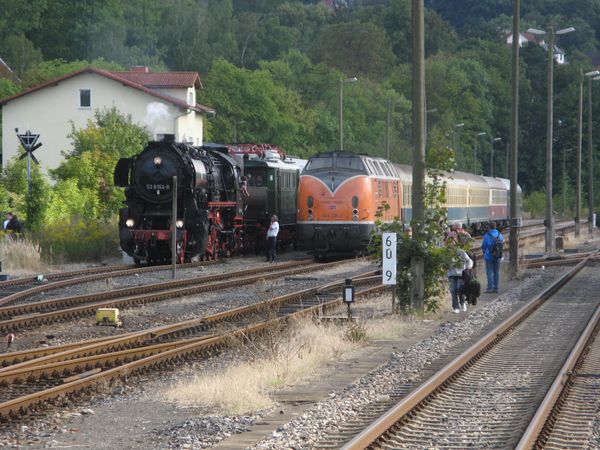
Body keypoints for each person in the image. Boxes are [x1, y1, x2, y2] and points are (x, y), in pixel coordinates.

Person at [447, 234, 473, 313]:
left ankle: (463, 303)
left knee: (459, 289)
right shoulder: (446, 253)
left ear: (455, 243)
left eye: (452, 242)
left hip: (460, 274)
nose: (451, 244)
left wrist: (468, 268)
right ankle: (456, 307)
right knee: (453, 290)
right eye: (449, 243)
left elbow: (469, 260)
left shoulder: (460, 251)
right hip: (451, 274)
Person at [481, 221, 504, 293]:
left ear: (489, 227)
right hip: (498, 256)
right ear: (496, 226)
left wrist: (485, 251)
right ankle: (496, 288)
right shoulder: (500, 234)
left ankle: (490, 288)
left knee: (489, 272)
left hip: (489, 256)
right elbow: (502, 244)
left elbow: (484, 246)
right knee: (496, 272)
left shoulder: (487, 235)